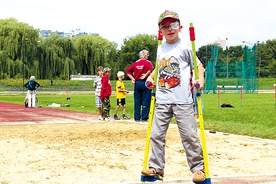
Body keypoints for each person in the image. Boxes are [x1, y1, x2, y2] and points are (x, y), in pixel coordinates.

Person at [141, 10, 206, 182]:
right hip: (162, 101)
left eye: (174, 25)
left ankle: (198, 169)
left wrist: (200, 79)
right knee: (156, 135)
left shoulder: (185, 47)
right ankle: (156, 167)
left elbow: (199, 66)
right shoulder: (160, 49)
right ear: (160, 31)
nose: (170, 29)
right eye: (165, 26)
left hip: (183, 100)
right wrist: (150, 78)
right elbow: (158, 68)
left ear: (180, 27)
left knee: (189, 136)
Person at [125, 50, 153, 122]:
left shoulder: (136, 63)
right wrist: (146, 75)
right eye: (147, 55)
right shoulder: (147, 62)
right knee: (146, 100)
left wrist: (133, 79)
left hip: (137, 83)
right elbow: (151, 69)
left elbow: (128, 71)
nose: (148, 56)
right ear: (145, 55)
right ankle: (144, 117)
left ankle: (137, 117)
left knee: (137, 100)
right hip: (145, 82)